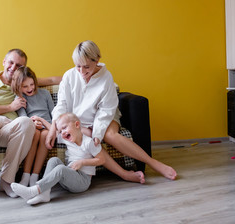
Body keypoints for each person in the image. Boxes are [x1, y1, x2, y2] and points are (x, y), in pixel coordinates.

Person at [45, 40, 177, 182]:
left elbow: (106, 111)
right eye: (78, 66)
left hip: (105, 115)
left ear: (97, 60)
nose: (82, 72)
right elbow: (62, 105)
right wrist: (53, 127)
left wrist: (98, 132)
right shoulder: (69, 76)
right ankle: (125, 174)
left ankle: (153, 163)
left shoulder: (106, 78)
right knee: (90, 139)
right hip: (80, 121)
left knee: (109, 135)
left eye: (86, 67)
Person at [0, 48, 59, 204]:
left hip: (9, 129)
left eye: (18, 66)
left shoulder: (22, 83)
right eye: (11, 62)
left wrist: (84, 72)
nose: (13, 68)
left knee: (26, 122)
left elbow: (51, 81)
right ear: (4, 62)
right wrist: (10, 107)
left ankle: (6, 180)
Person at [11, 113, 106, 205]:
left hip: (82, 182)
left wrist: (82, 162)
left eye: (64, 127)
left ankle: (34, 190)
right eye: (61, 131)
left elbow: (102, 160)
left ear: (77, 124)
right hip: (69, 179)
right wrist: (41, 120)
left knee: (61, 168)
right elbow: (53, 132)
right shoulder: (67, 138)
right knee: (53, 160)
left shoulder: (88, 142)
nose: (63, 132)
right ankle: (44, 194)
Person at [11, 66, 54, 187]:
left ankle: (35, 175)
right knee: (34, 134)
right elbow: (23, 118)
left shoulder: (45, 94)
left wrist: (44, 123)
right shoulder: (19, 99)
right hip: (32, 126)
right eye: (25, 86)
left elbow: (54, 113)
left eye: (32, 84)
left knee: (45, 135)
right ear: (18, 86)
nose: (30, 88)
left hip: (47, 125)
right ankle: (25, 175)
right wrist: (34, 123)